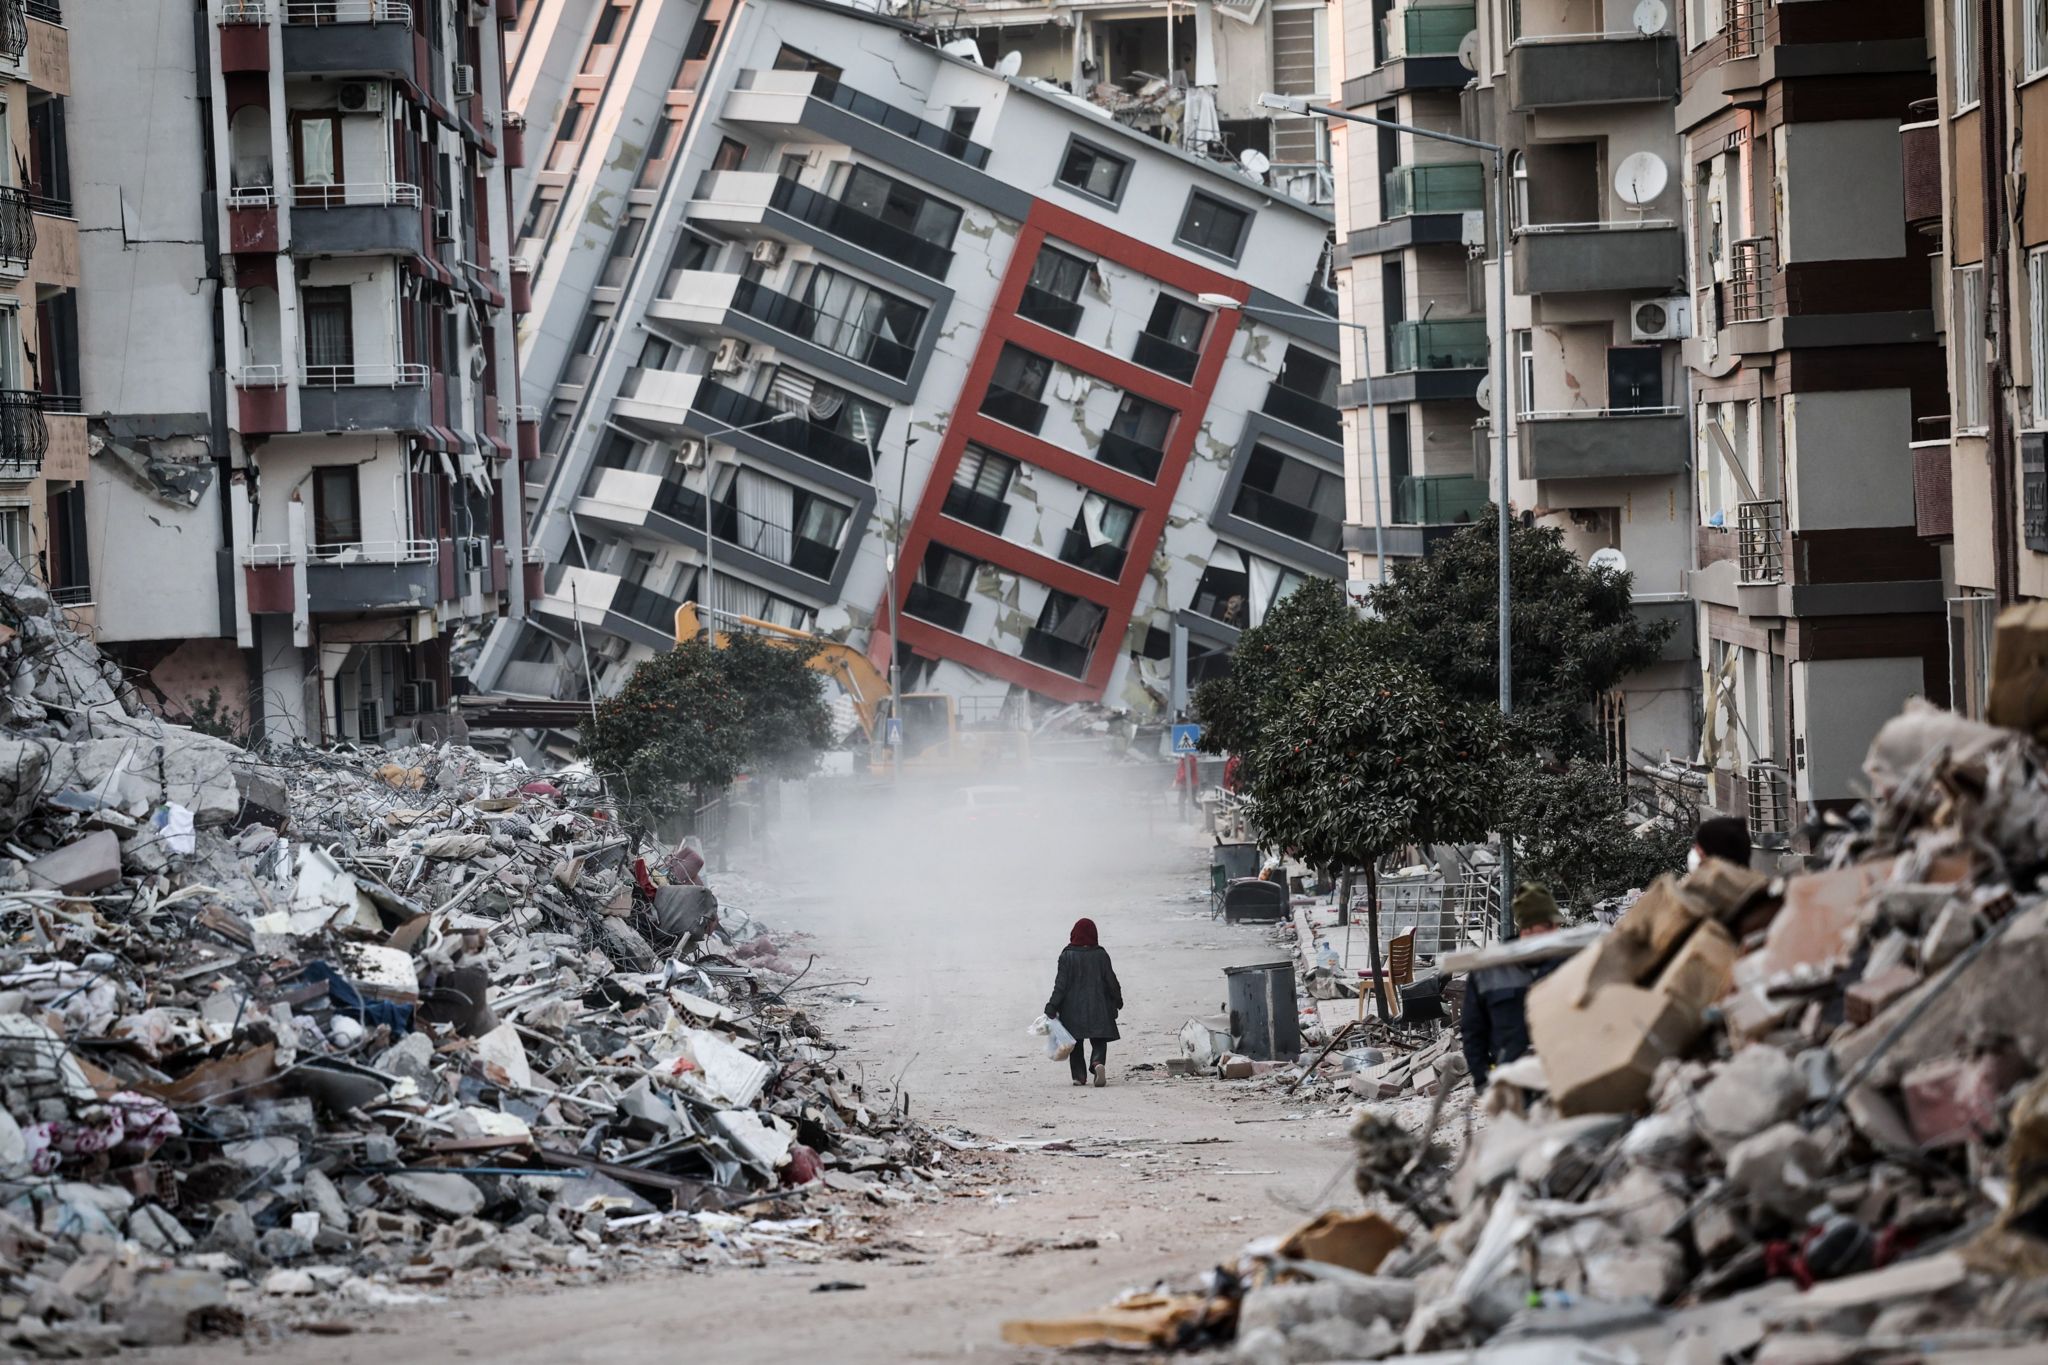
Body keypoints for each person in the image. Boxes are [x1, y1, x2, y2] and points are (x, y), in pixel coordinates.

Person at [1460, 884, 1563, 1092]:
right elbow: (1473, 1031)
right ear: (1526, 929)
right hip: (1513, 1084)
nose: (1556, 931)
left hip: (1563, 1080)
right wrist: (1483, 1080)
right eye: (1549, 926)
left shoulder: (1570, 962)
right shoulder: (1488, 970)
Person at [1046, 918, 1123, 1088]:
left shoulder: (1066, 956)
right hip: (1099, 1007)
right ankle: (1097, 1064)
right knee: (1099, 1040)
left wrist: (1052, 1005)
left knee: (1076, 1042)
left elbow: (1061, 985)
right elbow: (1111, 980)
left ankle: (1079, 1076)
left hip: (1072, 1010)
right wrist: (1117, 999)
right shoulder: (1101, 955)